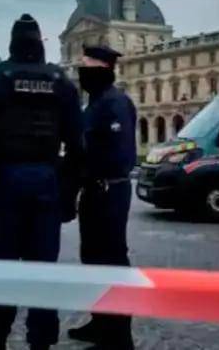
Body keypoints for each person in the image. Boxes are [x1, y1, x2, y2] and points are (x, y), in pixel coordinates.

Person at [0, 14, 83, 350]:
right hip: (47, 183)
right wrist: (70, 196)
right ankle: (40, 343)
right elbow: (77, 148)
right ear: (40, 44)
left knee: (2, 270)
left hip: (4, 183)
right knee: (43, 272)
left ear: (12, 45)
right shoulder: (61, 83)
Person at [68, 45, 137, 349]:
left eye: (87, 67)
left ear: (104, 69)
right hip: (95, 190)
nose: (81, 73)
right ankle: (100, 322)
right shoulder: (95, 103)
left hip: (110, 189)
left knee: (111, 260)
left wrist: (83, 168)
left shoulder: (115, 103)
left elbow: (117, 154)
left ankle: (119, 336)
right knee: (93, 258)